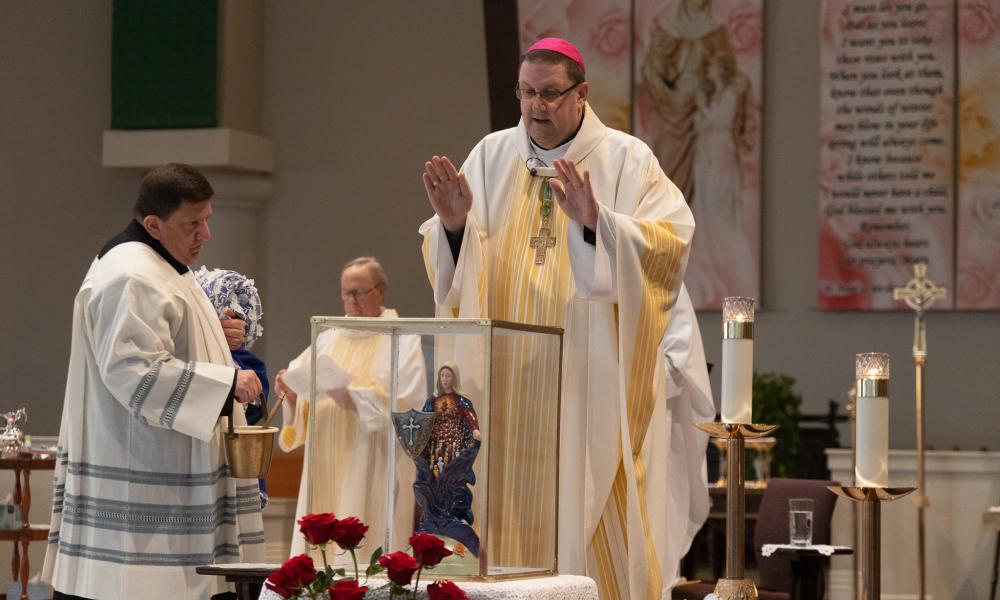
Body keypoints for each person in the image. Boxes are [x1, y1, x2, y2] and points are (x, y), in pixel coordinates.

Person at [419, 37, 705, 598]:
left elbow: (670, 244)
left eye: (550, 93)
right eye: (526, 93)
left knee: (591, 509)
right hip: (504, 386)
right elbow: (455, 264)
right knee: (503, 509)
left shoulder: (627, 158)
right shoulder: (493, 154)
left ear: (581, 95)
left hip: (586, 383)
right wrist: (453, 227)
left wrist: (599, 223)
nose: (535, 107)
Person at [42, 163, 266, 600]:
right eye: (192, 224)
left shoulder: (162, 263)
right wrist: (225, 384)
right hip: (143, 485)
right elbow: (133, 371)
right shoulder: (131, 275)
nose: (205, 234)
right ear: (153, 224)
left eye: (208, 220)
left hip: (166, 472)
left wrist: (212, 339)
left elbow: (163, 344)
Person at [275, 256, 426, 560]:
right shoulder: (328, 338)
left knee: (360, 541)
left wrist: (354, 399)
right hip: (327, 455)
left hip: (371, 460)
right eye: (346, 293)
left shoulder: (402, 340)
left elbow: (409, 403)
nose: (350, 301)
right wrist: (291, 394)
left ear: (380, 291)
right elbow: (304, 389)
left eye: (358, 292)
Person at [196, 266, 271, 508]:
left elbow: (256, 408)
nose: (234, 324)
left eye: (239, 318)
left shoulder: (247, 362)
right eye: (224, 314)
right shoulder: (193, 351)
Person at [411, 363, 481, 556]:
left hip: (454, 446)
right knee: (433, 480)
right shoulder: (432, 400)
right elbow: (423, 420)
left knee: (451, 479)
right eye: (442, 376)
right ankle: (434, 516)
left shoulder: (461, 401)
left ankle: (450, 516)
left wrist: (474, 429)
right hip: (436, 448)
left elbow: (469, 416)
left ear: (454, 378)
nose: (445, 379)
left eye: (448, 376)